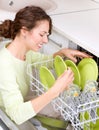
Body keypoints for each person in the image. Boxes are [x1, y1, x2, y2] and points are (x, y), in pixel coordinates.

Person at [0, 5, 91, 130]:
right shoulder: (5, 64)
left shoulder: (22, 50)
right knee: (60, 108)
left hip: (22, 98)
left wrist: (62, 53)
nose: (46, 40)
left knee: (61, 105)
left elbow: (42, 61)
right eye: (42, 34)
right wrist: (54, 91)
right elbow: (16, 115)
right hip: (10, 115)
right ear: (24, 31)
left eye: (47, 35)